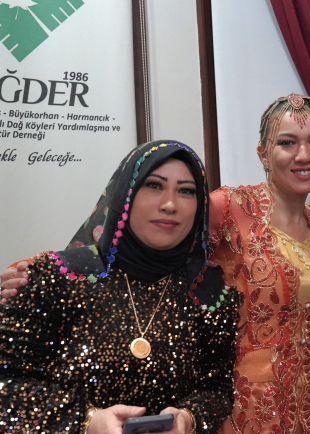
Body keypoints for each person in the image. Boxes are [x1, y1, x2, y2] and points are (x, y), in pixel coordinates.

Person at [0, 140, 240, 433]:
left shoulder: (209, 293)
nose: (169, 204)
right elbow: (7, 383)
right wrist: (86, 423)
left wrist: (188, 418)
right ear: (126, 194)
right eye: (154, 185)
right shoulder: (54, 278)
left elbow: (217, 389)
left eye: (186, 191)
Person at [208, 94, 310, 434]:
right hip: (246, 407)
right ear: (263, 153)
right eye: (287, 143)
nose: (304, 155)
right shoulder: (228, 209)